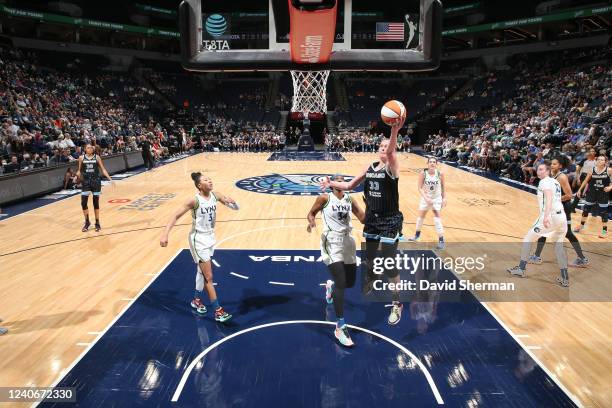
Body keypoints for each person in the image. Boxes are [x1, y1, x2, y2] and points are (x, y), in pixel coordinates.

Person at [320, 115, 406, 325]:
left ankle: (397, 303)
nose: (384, 148)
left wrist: (394, 131)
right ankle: (362, 277)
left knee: (389, 264)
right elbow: (349, 186)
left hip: (390, 220)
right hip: (372, 220)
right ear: (378, 149)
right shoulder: (370, 168)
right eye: (382, 145)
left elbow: (393, 151)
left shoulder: (391, 168)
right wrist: (331, 183)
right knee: (370, 260)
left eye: (388, 146)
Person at [160, 172, 237, 322]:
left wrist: (233, 203)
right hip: (198, 240)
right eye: (206, 180)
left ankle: (195, 300)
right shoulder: (194, 201)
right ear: (199, 186)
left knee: (201, 273)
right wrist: (165, 234)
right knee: (209, 276)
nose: (210, 181)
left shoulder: (216, 195)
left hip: (210, 238)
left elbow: (235, 208)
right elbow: (175, 216)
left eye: (210, 179)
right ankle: (218, 311)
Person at [307, 174, 365, 347]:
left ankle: (330, 287)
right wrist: (311, 223)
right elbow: (311, 213)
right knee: (341, 281)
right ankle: (340, 326)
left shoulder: (350, 198)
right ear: (332, 185)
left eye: (343, 180)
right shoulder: (324, 197)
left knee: (350, 282)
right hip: (331, 240)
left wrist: (371, 207)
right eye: (337, 181)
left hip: (349, 241)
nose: (341, 183)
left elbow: (362, 218)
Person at [508, 161, 569, 287]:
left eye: (541, 169)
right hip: (561, 217)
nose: (538, 171)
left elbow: (549, 196)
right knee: (559, 247)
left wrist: (546, 216)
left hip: (550, 216)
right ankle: (565, 278)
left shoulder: (544, 181)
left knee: (527, 239)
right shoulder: (555, 181)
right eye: (538, 169)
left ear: (547, 171)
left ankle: (521, 269)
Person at [528, 156, 589, 267]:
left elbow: (569, 195)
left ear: (560, 166)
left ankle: (582, 258)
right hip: (554, 208)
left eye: (555, 164)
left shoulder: (562, 177)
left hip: (563, 207)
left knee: (568, 234)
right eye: (552, 163)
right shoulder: (550, 176)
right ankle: (536, 256)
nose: (552, 165)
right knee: (544, 229)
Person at [408, 157, 447, 249]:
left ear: (436, 164)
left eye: (434, 162)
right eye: (430, 162)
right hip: (426, 198)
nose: (432, 163)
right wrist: (426, 198)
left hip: (436, 198)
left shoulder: (440, 174)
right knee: (420, 217)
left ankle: (441, 240)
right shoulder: (423, 173)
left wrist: (444, 198)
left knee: (437, 217)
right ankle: (417, 236)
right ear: (427, 163)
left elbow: (443, 187)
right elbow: (419, 188)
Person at [76, 144, 112, 232]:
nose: (90, 148)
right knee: (83, 202)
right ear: (85, 149)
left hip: (96, 182)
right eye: (88, 147)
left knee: (95, 203)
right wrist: (77, 175)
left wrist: (110, 179)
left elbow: (103, 169)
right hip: (86, 182)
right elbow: (79, 170)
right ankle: (87, 222)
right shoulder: (81, 158)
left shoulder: (97, 157)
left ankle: (97, 222)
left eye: (91, 147)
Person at [574, 155, 611, 238]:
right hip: (592, 192)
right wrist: (580, 190)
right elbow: (586, 181)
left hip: (603, 194)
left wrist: (610, 187)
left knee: (603, 213)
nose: (600, 161)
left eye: (602, 160)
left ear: (605, 162)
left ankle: (604, 231)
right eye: (598, 159)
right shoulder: (592, 170)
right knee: (586, 210)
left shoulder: (609, 170)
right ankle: (581, 226)